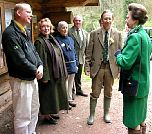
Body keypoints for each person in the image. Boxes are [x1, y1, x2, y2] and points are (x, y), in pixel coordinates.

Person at [2, 3, 43, 134]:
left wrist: (40, 65)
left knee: (34, 109)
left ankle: (31, 132)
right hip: (21, 81)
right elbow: (19, 60)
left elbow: (34, 52)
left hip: (32, 79)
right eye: (28, 12)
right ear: (18, 13)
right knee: (22, 115)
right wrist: (35, 70)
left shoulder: (25, 31)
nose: (31, 15)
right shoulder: (10, 33)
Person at [114, 3, 152, 134]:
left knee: (132, 121)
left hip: (134, 85)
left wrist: (118, 54)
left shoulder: (135, 37)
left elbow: (125, 62)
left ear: (135, 19)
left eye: (127, 17)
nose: (125, 19)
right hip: (143, 84)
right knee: (141, 117)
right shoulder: (145, 35)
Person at [85, 10, 122, 125]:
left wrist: (120, 69)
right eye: (105, 18)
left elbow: (120, 52)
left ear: (113, 20)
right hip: (98, 68)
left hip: (111, 68)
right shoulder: (94, 33)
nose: (107, 20)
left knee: (108, 92)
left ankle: (106, 113)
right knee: (95, 92)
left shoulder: (117, 34)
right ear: (101, 20)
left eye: (109, 18)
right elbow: (88, 52)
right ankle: (91, 115)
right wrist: (87, 67)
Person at [34, 18, 69, 124]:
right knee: (47, 95)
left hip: (56, 73)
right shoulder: (40, 42)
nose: (46, 28)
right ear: (40, 28)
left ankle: (51, 112)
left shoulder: (51, 39)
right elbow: (41, 61)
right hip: (48, 74)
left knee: (53, 95)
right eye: (43, 26)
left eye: (48, 26)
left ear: (51, 28)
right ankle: (46, 115)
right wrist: (45, 77)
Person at [55, 21, 78, 107]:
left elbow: (74, 52)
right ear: (59, 29)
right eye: (63, 28)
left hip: (72, 66)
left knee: (70, 84)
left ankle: (69, 99)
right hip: (64, 67)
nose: (65, 29)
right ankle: (64, 102)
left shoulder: (70, 39)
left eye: (66, 28)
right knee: (64, 85)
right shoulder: (56, 40)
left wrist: (76, 63)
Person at [68, 15, 88, 97]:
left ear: (82, 21)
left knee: (79, 75)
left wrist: (87, 58)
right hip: (72, 58)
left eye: (79, 20)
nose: (78, 22)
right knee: (72, 75)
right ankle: (71, 93)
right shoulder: (69, 31)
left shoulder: (85, 33)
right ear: (73, 21)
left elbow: (86, 46)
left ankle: (79, 90)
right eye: (76, 20)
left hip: (81, 58)